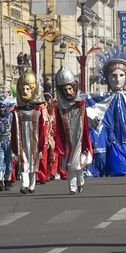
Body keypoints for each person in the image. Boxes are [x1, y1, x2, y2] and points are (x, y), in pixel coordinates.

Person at [86, 45, 126, 177]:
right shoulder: (101, 100)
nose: (117, 79)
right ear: (107, 77)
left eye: (121, 75)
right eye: (114, 75)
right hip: (109, 142)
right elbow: (89, 110)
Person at [53, 67, 93, 195]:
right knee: (71, 164)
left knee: (77, 164)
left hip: (79, 139)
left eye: (70, 89)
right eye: (65, 90)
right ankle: (72, 188)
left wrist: (87, 141)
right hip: (68, 140)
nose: (68, 92)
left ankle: (80, 182)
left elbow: (86, 124)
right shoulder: (60, 108)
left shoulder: (80, 104)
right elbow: (58, 126)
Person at [11, 69, 47, 194]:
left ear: (33, 90)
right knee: (23, 160)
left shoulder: (37, 111)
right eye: (23, 89)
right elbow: (13, 129)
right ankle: (24, 184)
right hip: (22, 141)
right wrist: (14, 146)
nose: (25, 92)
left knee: (33, 161)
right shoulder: (17, 112)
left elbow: (42, 129)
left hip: (34, 141)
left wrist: (42, 145)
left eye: (28, 89)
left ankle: (32, 183)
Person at [0, 93, 16, 191]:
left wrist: (16, 143)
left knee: (9, 161)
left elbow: (15, 130)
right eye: (0, 107)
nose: (2, 109)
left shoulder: (11, 116)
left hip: (9, 141)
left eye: (4, 107)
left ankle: (7, 180)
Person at [37, 93, 56, 184]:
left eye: (49, 100)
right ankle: (41, 176)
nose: (47, 103)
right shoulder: (41, 110)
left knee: (50, 157)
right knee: (41, 158)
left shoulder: (52, 111)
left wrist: (53, 132)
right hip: (41, 137)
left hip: (50, 137)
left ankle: (48, 174)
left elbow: (54, 124)